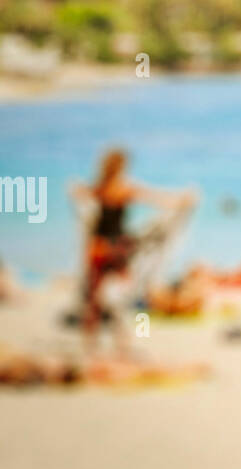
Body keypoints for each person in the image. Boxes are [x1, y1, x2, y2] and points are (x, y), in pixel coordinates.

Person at [71, 149, 196, 351]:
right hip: (118, 249)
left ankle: (91, 344)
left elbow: (81, 195)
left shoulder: (100, 188)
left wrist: (76, 191)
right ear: (121, 167)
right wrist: (182, 201)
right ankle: (123, 342)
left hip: (97, 248)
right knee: (124, 297)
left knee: (94, 300)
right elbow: (156, 198)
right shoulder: (124, 189)